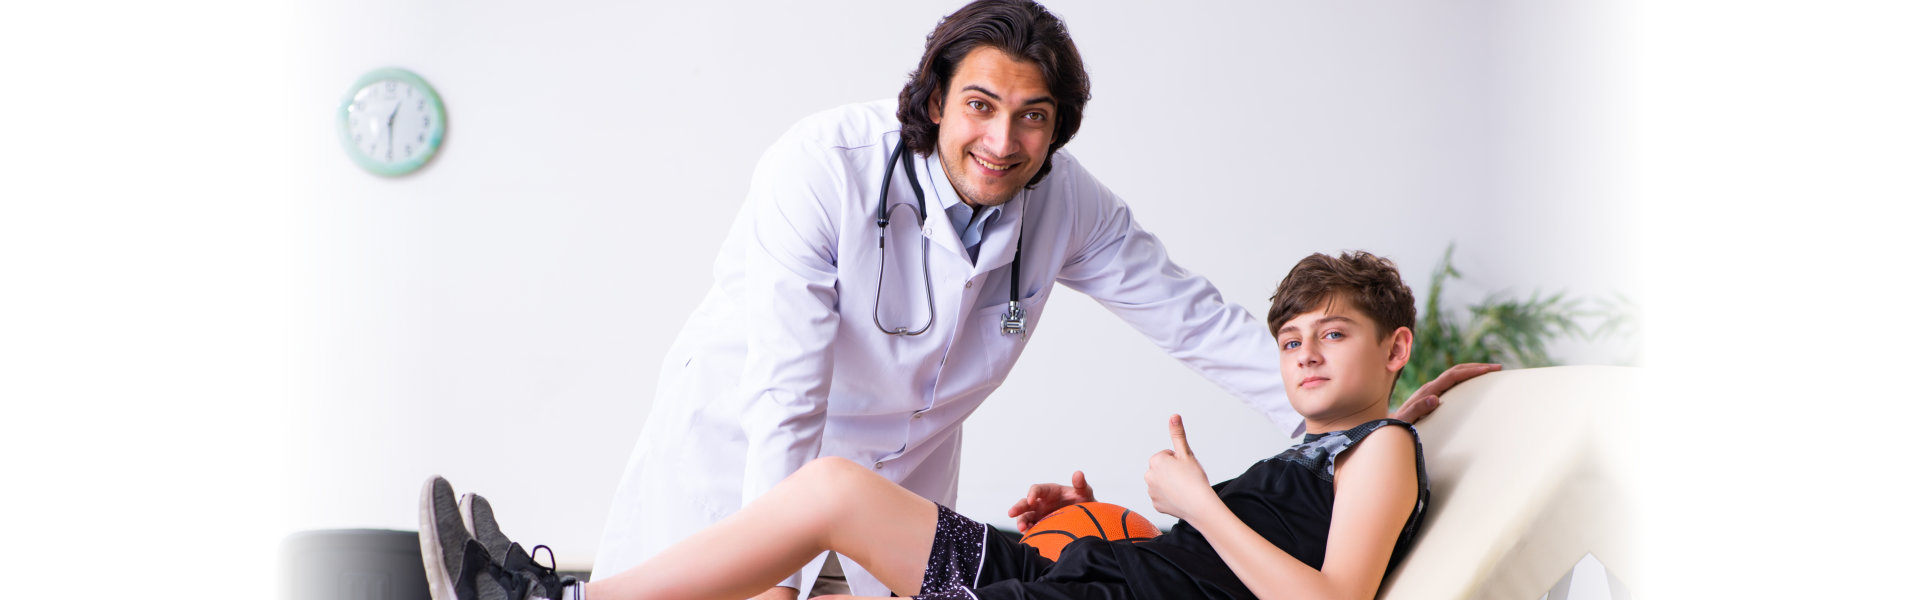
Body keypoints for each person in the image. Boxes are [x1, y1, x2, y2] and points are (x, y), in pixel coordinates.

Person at [596, 1, 1495, 597]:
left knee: (843, 506)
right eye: (980, 106)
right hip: (749, 456)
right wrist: (777, 588)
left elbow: (1195, 320)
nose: (1003, 139)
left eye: (1033, 116)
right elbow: (787, 392)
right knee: (784, 526)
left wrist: (1357, 429)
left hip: (915, 495)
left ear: (1058, 126)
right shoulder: (825, 165)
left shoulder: (1066, 202)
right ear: (934, 101)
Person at [421, 250, 1432, 600]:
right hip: (1073, 579)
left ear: (1393, 349)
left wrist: (1199, 504)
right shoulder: (1336, 448)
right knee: (830, 492)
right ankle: (560, 595)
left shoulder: (1380, 451)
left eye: (1331, 335)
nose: (1300, 352)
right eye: (1290, 337)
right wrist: (1115, 517)